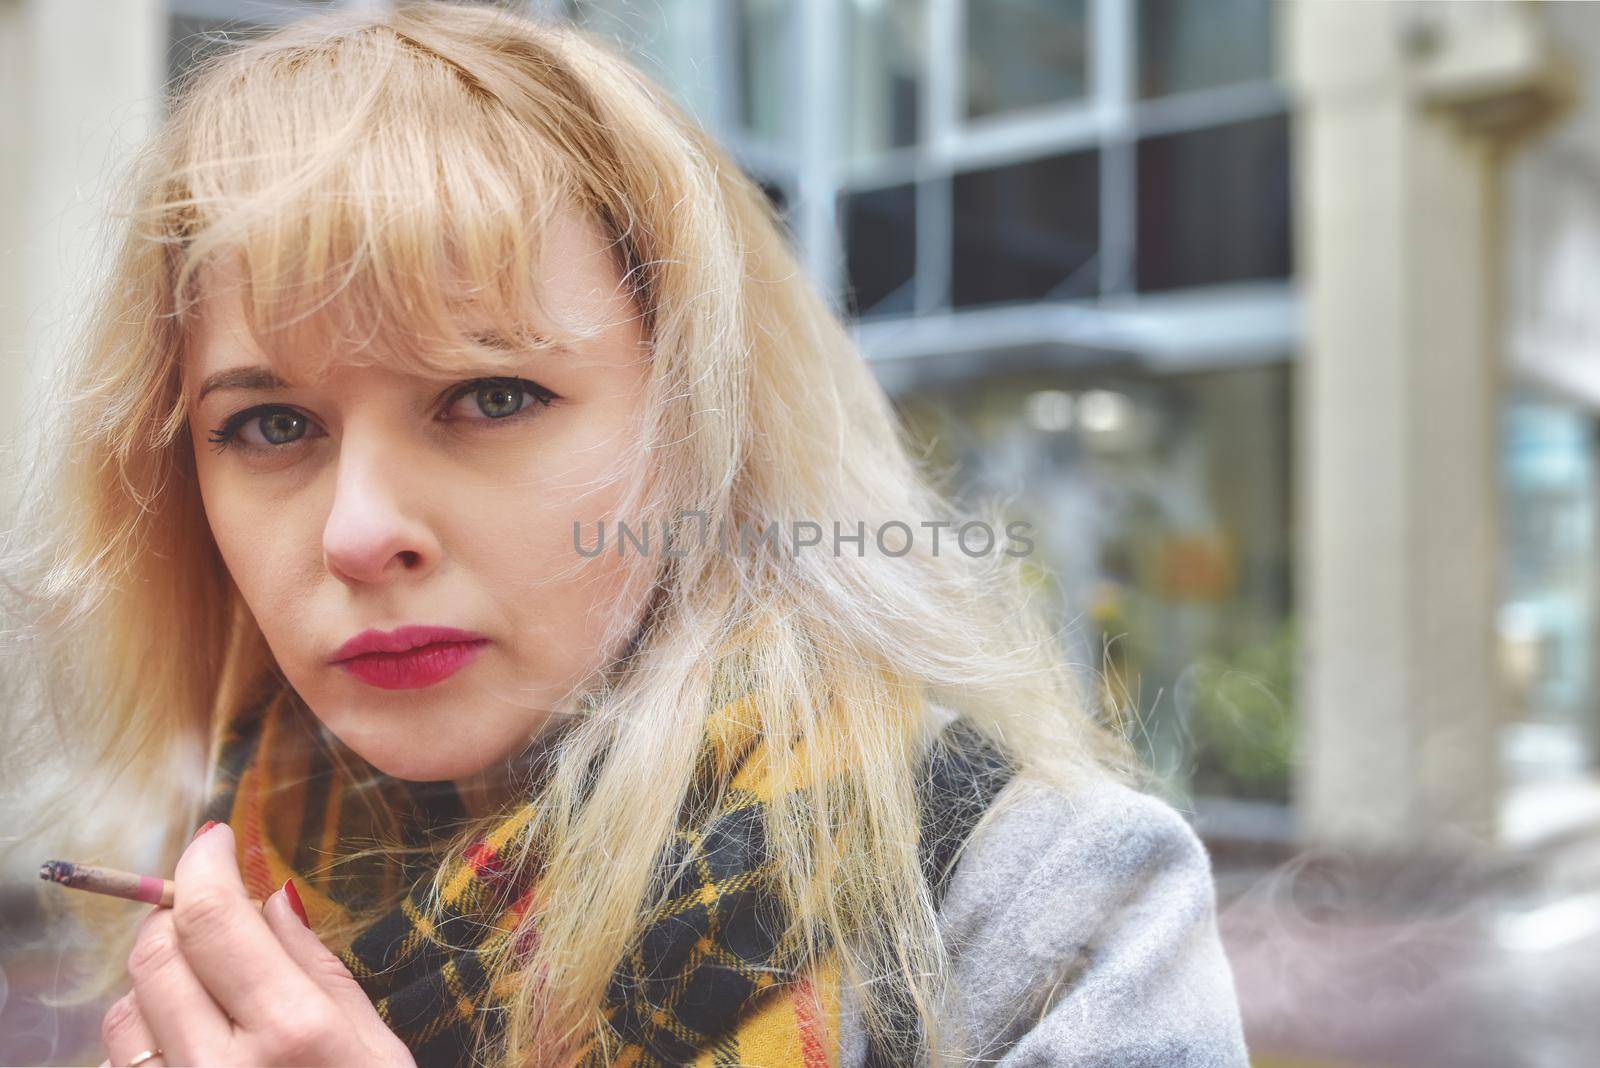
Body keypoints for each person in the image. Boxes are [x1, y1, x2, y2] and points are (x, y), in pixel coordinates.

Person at [0, 3, 1251, 1066]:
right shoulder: (224, 866)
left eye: (490, 398)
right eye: (270, 424)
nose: (360, 532)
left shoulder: (1034, 901)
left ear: (699, 427)